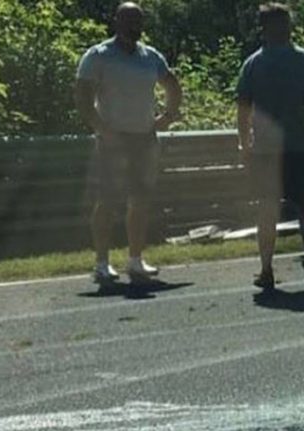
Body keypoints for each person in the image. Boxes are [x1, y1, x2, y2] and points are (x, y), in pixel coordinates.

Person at [75, 2, 183, 283]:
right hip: (113, 139)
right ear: (117, 22)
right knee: (108, 200)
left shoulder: (150, 56)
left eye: (138, 21)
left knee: (141, 200)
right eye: (128, 20)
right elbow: (82, 97)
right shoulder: (99, 55)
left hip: (144, 137)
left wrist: (168, 115)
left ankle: (135, 259)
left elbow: (171, 83)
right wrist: (100, 128)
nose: (134, 26)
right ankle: (101, 262)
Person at [236, 2, 304, 291]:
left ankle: (266, 268)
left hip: (267, 149)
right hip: (302, 143)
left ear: (263, 30)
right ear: (288, 26)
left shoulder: (253, 63)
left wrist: (243, 142)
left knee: (267, 208)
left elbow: (243, 106)